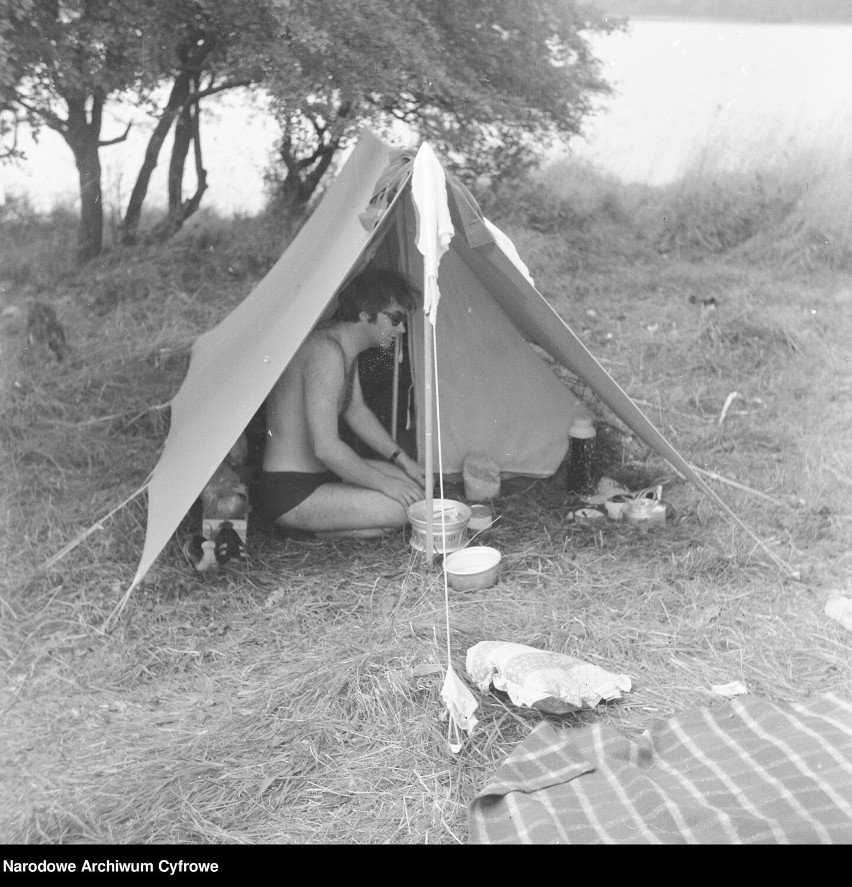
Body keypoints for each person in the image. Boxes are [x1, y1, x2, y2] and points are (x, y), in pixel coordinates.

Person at [255, 268, 426, 536]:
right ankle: (309, 531)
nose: (401, 329)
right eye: (395, 319)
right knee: (406, 509)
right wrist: (386, 485)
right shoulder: (326, 353)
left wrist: (404, 461)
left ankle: (356, 523)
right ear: (364, 313)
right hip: (292, 491)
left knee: (413, 490)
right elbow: (325, 448)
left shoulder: (344, 344)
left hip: (323, 476)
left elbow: (356, 411)